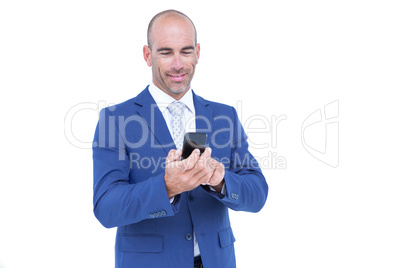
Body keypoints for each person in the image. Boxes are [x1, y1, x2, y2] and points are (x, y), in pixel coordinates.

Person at [92, 9, 268, 268]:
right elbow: (106, 208)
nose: (178, 64)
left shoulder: (224, 116)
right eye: (166, 52)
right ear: (147, 55)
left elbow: (257, 193)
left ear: (197, 52)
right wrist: (166, 187)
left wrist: (220, 181)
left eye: (186, 51)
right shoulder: (115, 119)